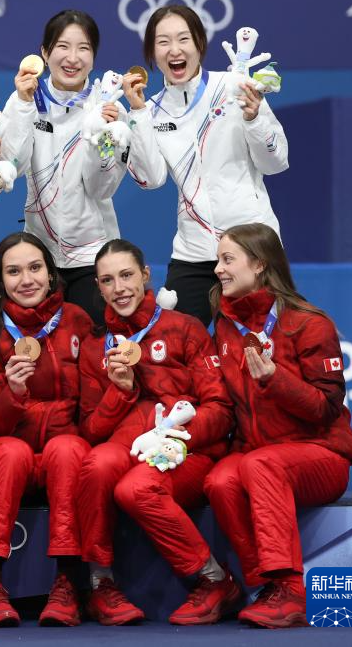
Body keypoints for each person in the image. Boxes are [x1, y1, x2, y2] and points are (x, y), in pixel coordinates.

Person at [204, 223, 352, 628]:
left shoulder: (309, 323)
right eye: (218, 260)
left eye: (227, 259)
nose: (218, 269)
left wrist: (276, 379)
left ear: (259, 264)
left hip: (321, 455)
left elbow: (327, 408)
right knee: (220, 480)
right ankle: (262, 584)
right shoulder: (225, 326)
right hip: (257, 454)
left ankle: (291, 591)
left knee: (261, 465)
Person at [76, 238, 236, 625]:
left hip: (186, 453)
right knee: (97, 464)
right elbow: (91, 429)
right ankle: (100, 585)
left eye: (127, 275)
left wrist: (178, 438)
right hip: (126, 449)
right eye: (108, 280)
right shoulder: (96, 346)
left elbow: (221, 409)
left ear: (146, 275)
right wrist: (120, 391)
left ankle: (214, 579)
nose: (120, 288)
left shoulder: (185, 328)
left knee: (135, 489)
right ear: (98, 287)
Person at [123, 5, 289, 327]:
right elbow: (150, 179)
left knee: (259, 346)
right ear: (152, 53)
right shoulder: (151, 111)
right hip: (193, 251)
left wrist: (254, 119)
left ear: (200, 43)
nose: (174, 50)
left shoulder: (235, 86)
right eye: (163, 42)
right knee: (175, 343)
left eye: (183, 39)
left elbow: (276, 161)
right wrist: (138, 115)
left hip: (251, 245)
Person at [0, 232, 94, 626]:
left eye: (35, 268)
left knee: (67, 448)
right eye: (14, 271)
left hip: (65, 453)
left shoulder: (77, 320)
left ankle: (68, 583)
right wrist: (13, 393)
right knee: (9, 451)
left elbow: (92, 402)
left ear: (51, 274)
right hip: (11, 455)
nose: (27, 280)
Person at [2, 10, 130, 325]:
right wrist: (22, 105)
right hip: (40, 258)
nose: (72, 58)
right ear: (44, 53)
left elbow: (102, 188)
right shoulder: (24, 100)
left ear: (94, 56)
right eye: (62, 46)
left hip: (94, 255)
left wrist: (100, 136)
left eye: (83, 48)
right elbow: (13, 166)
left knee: (95, 346)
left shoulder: (110, 109)